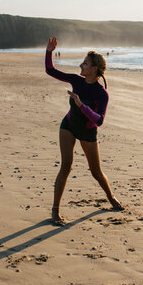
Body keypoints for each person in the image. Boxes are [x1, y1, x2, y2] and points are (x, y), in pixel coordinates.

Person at [45, 37, 123, 225]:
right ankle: (55, 211)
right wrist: (48, 52)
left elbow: (99, 120)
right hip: (69, 126)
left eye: (85, 64)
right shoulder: (76, 80)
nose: (81, 66)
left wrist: (81, 105)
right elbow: (50, 70)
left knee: (95, 171)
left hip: (88, 132)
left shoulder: (101, 94)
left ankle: (111, 198)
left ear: (94, 68)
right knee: (66, 166)